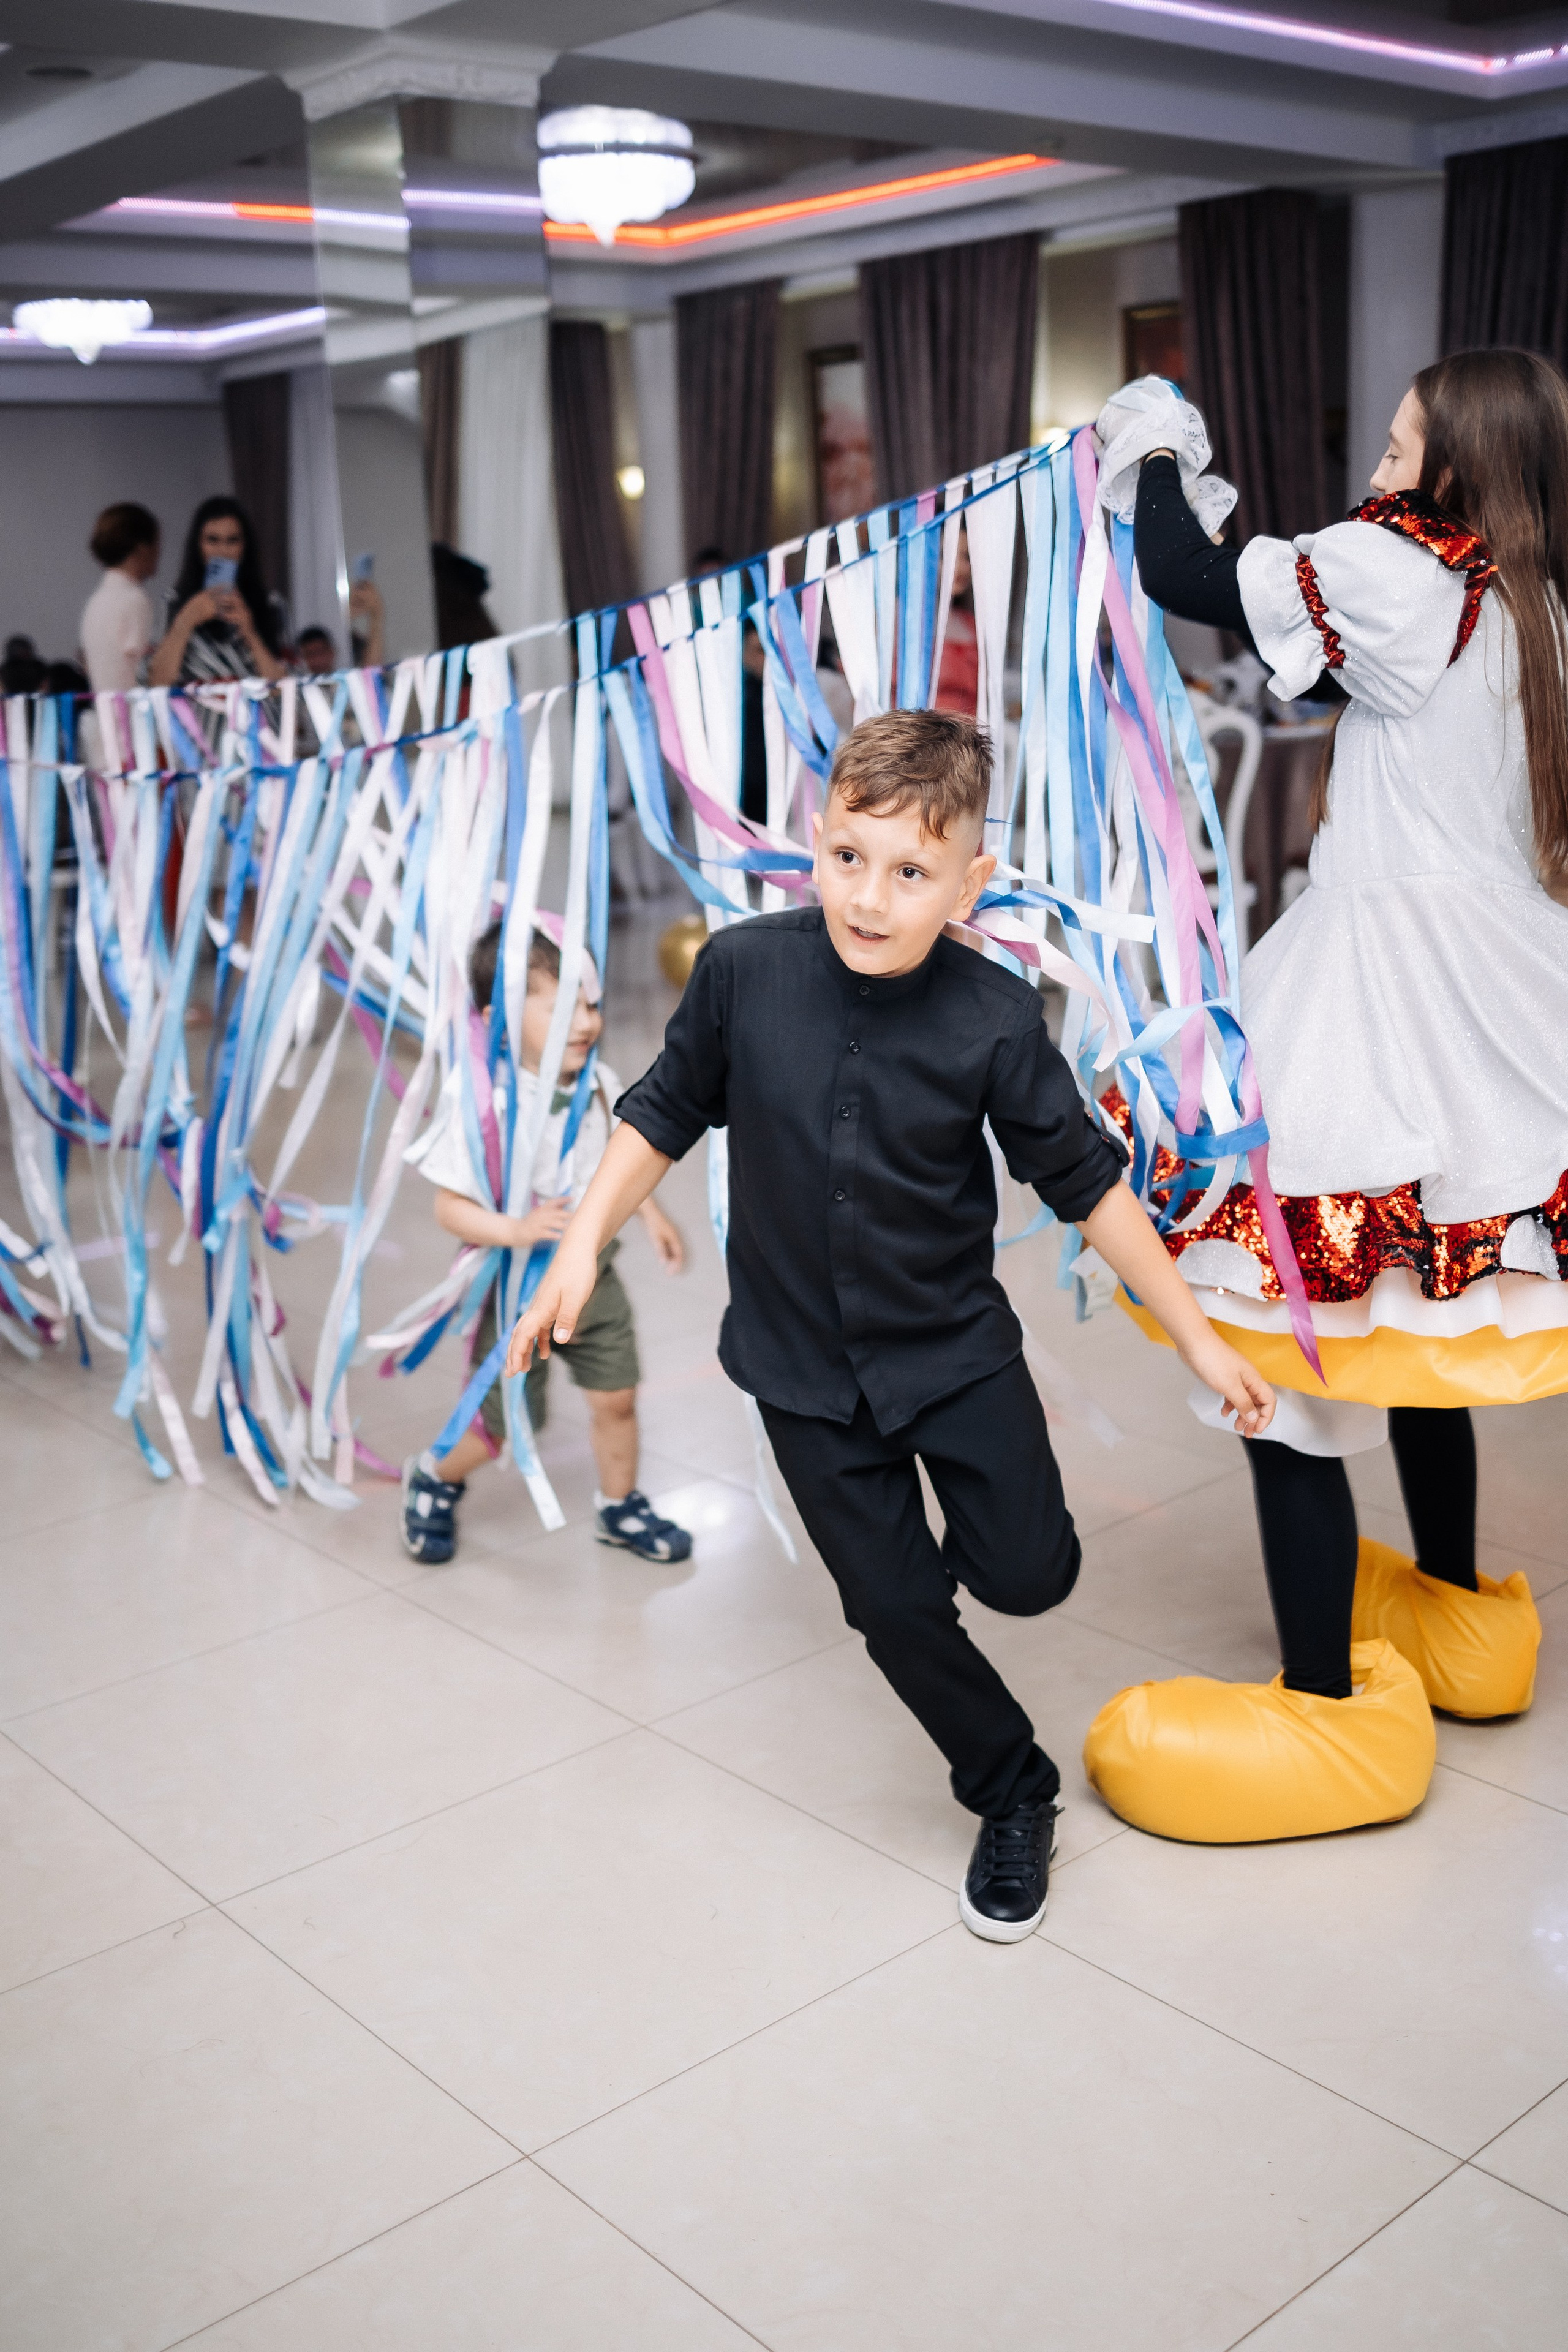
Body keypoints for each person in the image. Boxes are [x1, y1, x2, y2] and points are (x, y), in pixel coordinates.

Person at [506, 709, 1273, 1940]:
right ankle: (1010, 1789)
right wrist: (580, 1239)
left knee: (1028, 1575)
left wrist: (1195, 1334)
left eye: (911, 873)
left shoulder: (991, 1016)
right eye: (847, 859)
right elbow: (658, 1111)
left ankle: (979, 1558)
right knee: (892, 1608)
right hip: (799, 1373)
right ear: (816, 841)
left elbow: (1085, 1183)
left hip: (952, 1355)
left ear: (969, 883)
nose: (869, 898)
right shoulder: (742, 972)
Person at [1078, 350, 1568, 1845]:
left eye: (1399, 438)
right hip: (1500, 978)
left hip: (1376, 988)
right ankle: (1457, 1621)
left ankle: (1323, 1706)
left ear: (1449, 467)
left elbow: (1179, 569)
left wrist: (1151, 438)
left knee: (1290, 1340)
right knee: (1416, 1321)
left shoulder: (1389, 569)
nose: (1374, 454)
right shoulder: (1530, 596)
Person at [401, 920, 694, 1568]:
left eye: (590, 1002)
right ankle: (433, 1476)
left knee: (616, 1397)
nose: (587, 1021)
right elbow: (448, 1206)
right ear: (498, 1018)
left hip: (596, 1279)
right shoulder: (482, 1099)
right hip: (516, 1291)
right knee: (505, 1425)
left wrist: (651, 1216)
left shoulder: (596, 1079)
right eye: (563, 1006)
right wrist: (515, 1230)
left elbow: (617, 1161)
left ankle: (619, 1506)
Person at [148, 495, 287, 688]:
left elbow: (282, 689)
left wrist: (250, 633)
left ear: (245, 546)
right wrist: (186, 620)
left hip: (255, 716)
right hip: (193, 717)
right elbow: (158, 682)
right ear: (198, 545)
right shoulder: (173, 603)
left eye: (233, 540)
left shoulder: (269, 604)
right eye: (212, 540)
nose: (223, 551)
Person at [79, 502, 160, 692]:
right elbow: (147, 671)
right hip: (132, 714)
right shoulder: (134, 599)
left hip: (107, 711)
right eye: (157, 544)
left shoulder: (97, 601)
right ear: (142, 549)